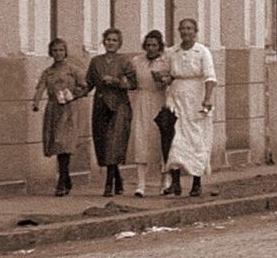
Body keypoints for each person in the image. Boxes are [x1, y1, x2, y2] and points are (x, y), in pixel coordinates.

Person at [164, 17, 217, 198]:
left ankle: (196, 182)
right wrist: (163, 79)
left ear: (195, 31)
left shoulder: (202, 52)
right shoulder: (172, 52)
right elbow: (168, 75)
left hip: (195, 98)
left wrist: (207, 98)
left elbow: (210, 77)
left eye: (189, 28)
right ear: (179, 31)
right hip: (176, 97)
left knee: (195, 140)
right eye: (183, 28)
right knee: (175, 138)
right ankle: (176, 182)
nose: (186, 32)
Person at [84, 28, 137, 198]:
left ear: (119, 43)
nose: (110, 43)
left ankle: (109, 183)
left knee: (114, 142)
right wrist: (77, 90)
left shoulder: (125, 61)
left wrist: (115, 81)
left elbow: (133, 83)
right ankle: (117, 177)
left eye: (114, 40)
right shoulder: (95, 61)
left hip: (119, 105)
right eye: (108, 40)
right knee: (102, 142)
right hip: (100, 104)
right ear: (103, 42)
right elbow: (89, 83)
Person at [32, 38, 87, 196]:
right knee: (57, 143)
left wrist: (74, 94)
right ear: (51, 53)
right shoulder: (48, 72)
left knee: (65, 144)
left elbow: (85, 86)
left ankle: (61, 182)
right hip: (54, 109)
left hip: (69, 110)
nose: (58, 53)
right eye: (55, 50)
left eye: (61, 50)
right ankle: (66, 177)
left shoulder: (73, 70)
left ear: (65, 52)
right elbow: (40, 87)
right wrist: (35, 102)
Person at [136, 28, 174, 197]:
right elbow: (132, 80)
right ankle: (141, 183)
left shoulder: (166, 61)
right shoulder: (137, 61)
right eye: (148, 44)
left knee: (161, 141)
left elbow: (171, 80)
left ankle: (165, 181)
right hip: (142, 101)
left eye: (154, 45)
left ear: (160, 46)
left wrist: (165, 79)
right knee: (141, 139)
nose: (151, 48)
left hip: (160, 101)